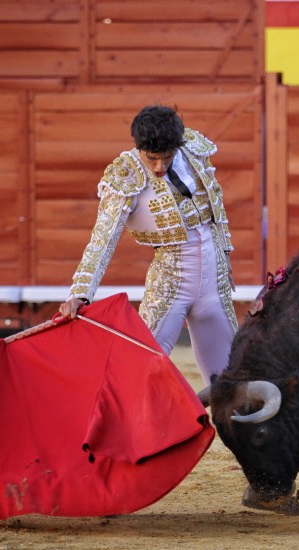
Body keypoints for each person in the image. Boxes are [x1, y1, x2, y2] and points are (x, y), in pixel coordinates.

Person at [59, 105, 238, 385]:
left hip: (215, 281)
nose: (159, 168)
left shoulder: (192, 150)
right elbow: (103, 238)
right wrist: (81, 293)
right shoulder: (125, 175)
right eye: (152, 158)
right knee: (138, 370)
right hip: (170, 281)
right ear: (138, 147)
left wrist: (225, 253)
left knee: (230, 376)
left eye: (167, 157)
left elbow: (215, 203)